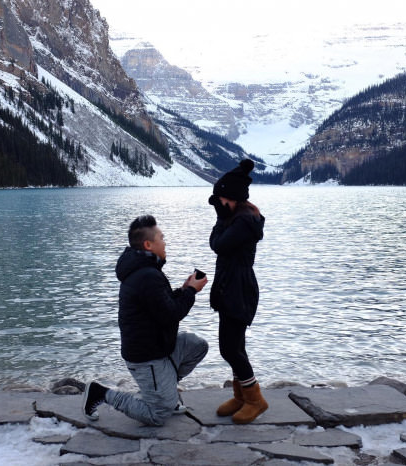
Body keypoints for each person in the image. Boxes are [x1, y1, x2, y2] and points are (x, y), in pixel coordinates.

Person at [82, 215, 209, 426]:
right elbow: (170, 315)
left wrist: (184, 290)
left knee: (198, 346)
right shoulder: (147, 275)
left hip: (158, 347)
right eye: (161, 237)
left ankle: (163, 393)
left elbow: (161, 305)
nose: (165, 242)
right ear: (148, 244)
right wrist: (191, 292)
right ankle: (100, 393)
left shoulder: (146, 271)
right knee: (157, 415)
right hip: (146, 356)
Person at [207, 159, 268, 424]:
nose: (218, 205)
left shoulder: (243, 222)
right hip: (232, 286)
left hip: (238, 289)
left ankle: (255, 399)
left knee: (230, 348)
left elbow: (217, 245)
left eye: (220, 199)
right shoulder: (238, 217)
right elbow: (217, 243)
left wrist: (220, 220)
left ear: (230, 198)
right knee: (233, 346)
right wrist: (222, 218)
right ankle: (242, 395)